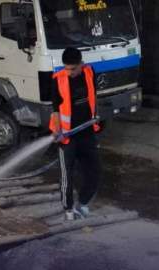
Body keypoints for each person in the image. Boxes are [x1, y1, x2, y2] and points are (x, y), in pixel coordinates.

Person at [49, 47, 101, 221]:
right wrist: (58, 132)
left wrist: (96, 118)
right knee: (67, 176)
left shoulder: (90, 73)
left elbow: (94, 97)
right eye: (66, 68)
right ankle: (69, 210)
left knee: (94, 172)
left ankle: (84, 203)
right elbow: (55, 110)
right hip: (67, 137)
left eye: (72, 69)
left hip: (87, 133)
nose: (69, 72)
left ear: (81, 64)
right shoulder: (58, 80)